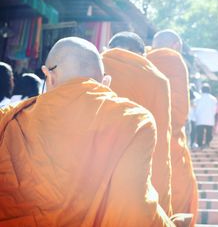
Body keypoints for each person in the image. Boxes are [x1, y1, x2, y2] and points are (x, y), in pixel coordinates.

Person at [0, 37, 173, 226]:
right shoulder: (134, 120)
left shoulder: (8, 119)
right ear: (105, 81)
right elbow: (132, 208)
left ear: (48, 75)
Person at [101, 31, 173, 215]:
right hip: (141, 168)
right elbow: (162, 136)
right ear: (142, 55)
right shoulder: (159, 80)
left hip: (98, 165)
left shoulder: (95, 67)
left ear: (109, 49)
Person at [147, 29, 198, 226]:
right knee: (180, 188)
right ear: (176, 46)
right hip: (168, 137)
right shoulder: (174, 59)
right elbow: (179, 112)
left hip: (141, 136)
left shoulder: (143, 60)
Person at [194, 83, 217, 148]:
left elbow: (195, 108)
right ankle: (207, 143)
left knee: (200, 133)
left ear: (202, 90)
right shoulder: (213, 99)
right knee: (209, 133)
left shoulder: (198, 98)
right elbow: (214, 109)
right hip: (209, 118)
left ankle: (200, 144)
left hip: (200, 118)